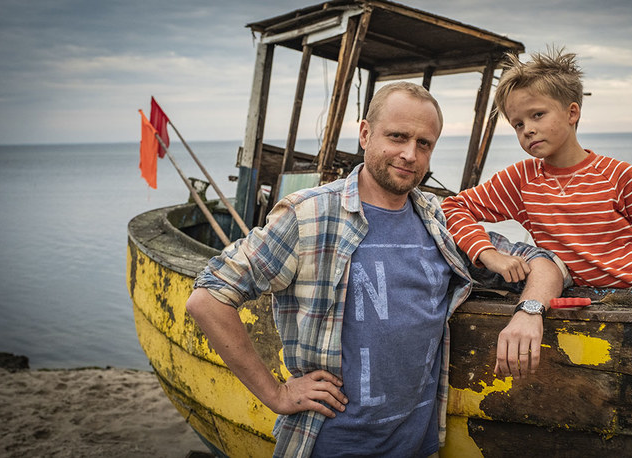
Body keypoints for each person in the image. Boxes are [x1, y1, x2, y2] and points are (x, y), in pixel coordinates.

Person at [185, 82, 567, 458]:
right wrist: (276, 394)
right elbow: (208, 298)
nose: (410, 155)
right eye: (397, 137)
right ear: (365, 134)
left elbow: (544, 262)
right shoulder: (310, 215)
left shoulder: (438, 220)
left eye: (424, 144)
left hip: (420, 445)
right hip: (330, 445)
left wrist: (529, 312)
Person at [442, 48, 632, 292]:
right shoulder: (522, 179)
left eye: (538, 114)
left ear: (572, 112)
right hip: (580, 308)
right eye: (518, 124)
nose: (527, 129)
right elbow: (453, 207)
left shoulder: (620, 177)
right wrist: (488, 254)